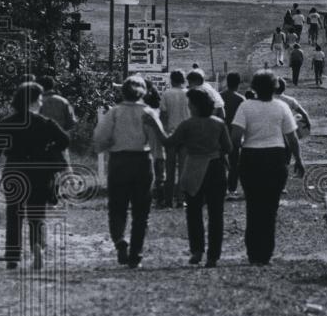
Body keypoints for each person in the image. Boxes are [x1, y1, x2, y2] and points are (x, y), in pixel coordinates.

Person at [0, 82, 69, 270]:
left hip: (14, 169)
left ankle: (13, 255)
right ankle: (37, 246)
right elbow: (65, 140)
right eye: (39, 99)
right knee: (36, 213)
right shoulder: (45, 123)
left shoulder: (6, 123)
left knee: (13, 213)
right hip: (39, 171)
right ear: (32, 101)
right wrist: (50, 150)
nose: (41, 103)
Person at [147, 88, 231, 267]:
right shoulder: (218, 124)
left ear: (194, 106)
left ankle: (197, 250)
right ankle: (213, 255)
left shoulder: (187, 125)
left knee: (194, 212)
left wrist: (156, 125)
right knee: (216, 214)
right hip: (215, 167)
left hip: (193, 168)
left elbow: (168, 142)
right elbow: (229, 147)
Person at [230, 70, 305, 265]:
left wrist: (236, 156)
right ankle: (266, 253)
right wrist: (298, 160)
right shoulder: (281, 107)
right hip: (275, 158)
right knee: (270, 208)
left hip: (251, 157)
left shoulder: (245, 107)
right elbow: (292, 138)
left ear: (254, 87)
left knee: (253, 207)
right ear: (275, 87)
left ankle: (253, 253)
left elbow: (235, 137)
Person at [93, 76, 163, 268]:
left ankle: (119, 241)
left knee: (117, 207)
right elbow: (156, 142)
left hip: (119, 160)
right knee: (141, 211)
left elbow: (100, 137)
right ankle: (136, 252)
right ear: (144, 92)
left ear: (122, 92)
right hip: (142, 160)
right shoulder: (148, 112)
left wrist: (106, 146)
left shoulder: (114, 112)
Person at [159, 70, 190, 208]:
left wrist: (164, 130)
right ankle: (181, 198)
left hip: (171, 133)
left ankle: (168, 199)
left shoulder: (166, 94)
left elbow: (163, 114)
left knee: (169, 168)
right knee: (183, 168)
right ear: (183, 80)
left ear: (171, 80)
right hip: (185, 133)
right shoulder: (189, 94)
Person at [221, 72, 245, 198]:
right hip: (235, 133)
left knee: (220, 162)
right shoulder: (241, 99)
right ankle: (232, 189)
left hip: (220, 132)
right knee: (234, 163)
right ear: (238, 84)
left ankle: (220, 187)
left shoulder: (220, 96)